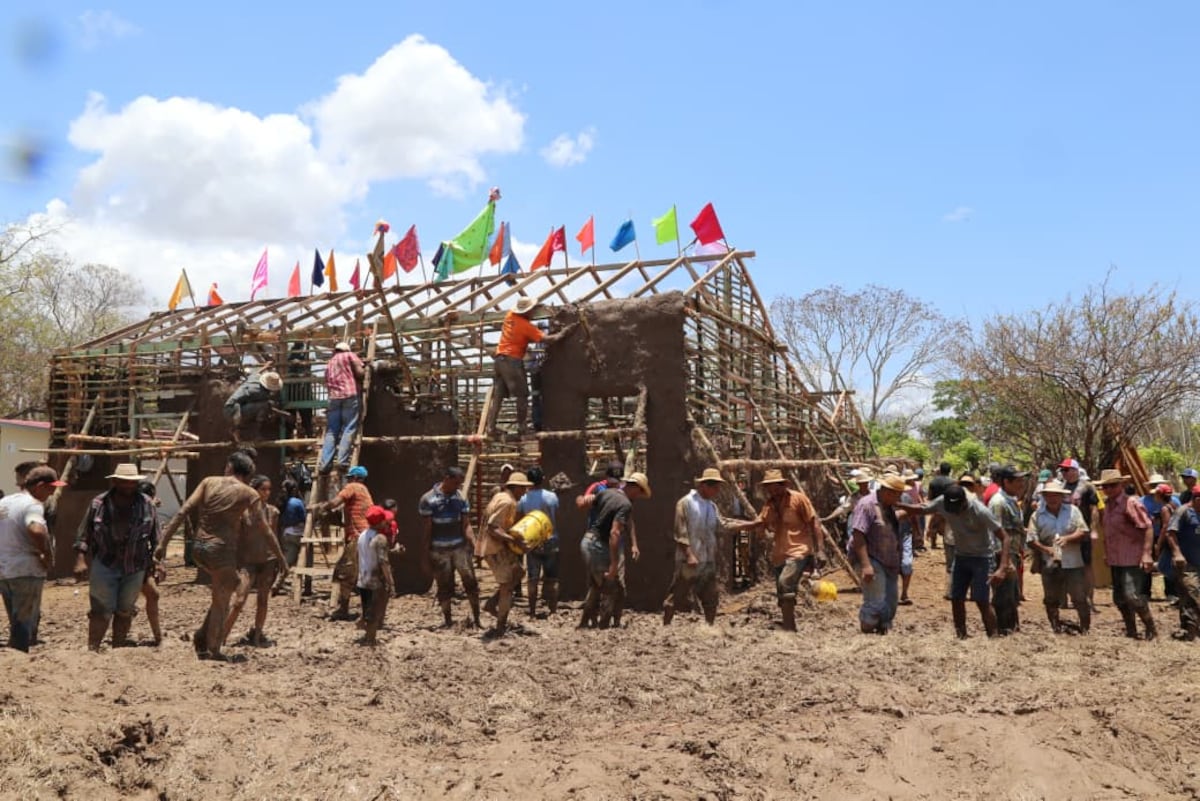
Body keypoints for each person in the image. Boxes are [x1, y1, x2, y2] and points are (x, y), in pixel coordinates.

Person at [156, 452, 274, 661]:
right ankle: (212, 649)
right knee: (222, 600)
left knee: (228, 586)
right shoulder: (249, 493)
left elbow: (183, 511)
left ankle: (202, 635)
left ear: (229, 466)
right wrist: (280, 557)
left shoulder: (208, 481)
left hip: (198, 549)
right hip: (220, 550)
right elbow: (264, 529)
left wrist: (163, 543)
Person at [72, 463, 161, 651]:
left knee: (125, 610)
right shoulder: (99, 504)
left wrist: (158, 563)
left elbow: (156, 538)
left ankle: (118, 648)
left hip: (135, 566)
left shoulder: (147, 504)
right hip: (105, 563)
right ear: (115, 481)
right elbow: (84, 534)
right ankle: (93, 649)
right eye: (123, 482)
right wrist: (80, 559)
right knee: (100, 609)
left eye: (131, 482)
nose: (128, 486)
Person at [900, 484, 1005, 638]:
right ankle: (961, 635)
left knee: (981, 600)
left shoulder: (980, 511)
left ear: (964, 502)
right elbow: (922, 509)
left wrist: (1002, 567)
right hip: (961, 556)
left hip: (982, 558)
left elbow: (1004, 537)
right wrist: (898, 504)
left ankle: (993, 636)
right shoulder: (943, 502)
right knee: (956, 598)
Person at [664, 468, 757, 625]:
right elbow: (680, 532)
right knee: (677, 593)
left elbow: (723, 524)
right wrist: (689, 555)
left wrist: (750, 525)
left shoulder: (711, 506)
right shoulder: (686, 503)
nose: (717, 491)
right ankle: (666, 626)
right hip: (689, 560)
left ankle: (710, 627)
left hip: (707, 560)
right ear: (704, 486)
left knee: (710, 596)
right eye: (715, 487)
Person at [484, 297, 575, 438]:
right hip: (512, 361)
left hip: (499, 360)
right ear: (526, 312)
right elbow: (549, 339)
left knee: (498, 396)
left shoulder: (509, 316)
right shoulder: (525, 326)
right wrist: (564, 333)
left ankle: (490, 428)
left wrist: (536, 306)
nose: (533, 313)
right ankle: (522, 428)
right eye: (531, 310)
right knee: (522, 395)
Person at [0, 466, 65, 651]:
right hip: (26, 570)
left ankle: (15, 654)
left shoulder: (4, 502)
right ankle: (20, 654)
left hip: (5, 569)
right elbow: (36, 530)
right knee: (25, 621)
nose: (52, 493)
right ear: (40, 486)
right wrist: (47, 555)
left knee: (15, 618)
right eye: (50, 488)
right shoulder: (33, 504)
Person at [577, 472, 652, 629]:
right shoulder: (625, 504)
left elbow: (581, 504)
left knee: (597, 585)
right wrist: (614, 564)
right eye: (639, 492)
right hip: (598, 545)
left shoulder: (607, 493)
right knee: (611, 586)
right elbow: (615, 533)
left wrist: (581, 499)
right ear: (635, 488)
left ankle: (585, 623)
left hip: (588, 541)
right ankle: (604, 626)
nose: (638, 496)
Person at [753, 469, 826, 632]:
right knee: (782, 592)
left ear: (782, 485)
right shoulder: (769, 505)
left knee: (785, 582)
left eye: (775, 487)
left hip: (798, 550)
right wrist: (757, 529)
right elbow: (760, 523)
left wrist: (820, 550)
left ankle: (788, 626)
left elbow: (814, 523)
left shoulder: (798, 499)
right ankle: (789, 626)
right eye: (769, 488)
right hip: (779, 553)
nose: (772, 491)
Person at [223, 475, 286, 647]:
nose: (266, 493)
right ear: (254, 490)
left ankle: (257, 635)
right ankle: (222, 636)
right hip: (248, 563)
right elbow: (236, 537)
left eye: (268, 489)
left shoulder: (273, 512)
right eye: (262, 489)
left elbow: (274, 537)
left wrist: (280, 559)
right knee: (239, 601)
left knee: (263, 600)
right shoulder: (243, 514)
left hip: (268, 561)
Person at [1095, 468, 1157, 640]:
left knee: (1132, 596)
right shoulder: (1107, 505)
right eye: (1105, 487)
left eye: (1113, 486)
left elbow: (1147, 527)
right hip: (1116, 558)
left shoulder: (1131, 503)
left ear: (1121, 485)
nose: (1109, 489)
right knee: (1119, 598)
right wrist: (1107, 553)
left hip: (1132, 557)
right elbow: (1109, 533)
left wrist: (1147, 554)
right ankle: (1131, 630)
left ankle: (1150, 628)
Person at [419, 466, 480, 628]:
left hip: (460, 549)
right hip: (439, 551)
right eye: (455, 483)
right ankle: (448, 621)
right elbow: (427, 530)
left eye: (459, 484)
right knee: (444, 586)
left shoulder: (460, 498)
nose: (457, 486)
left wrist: (475, 546)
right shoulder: (428, 499)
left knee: (471, 583)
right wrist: (425, 555)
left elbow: (466, 525)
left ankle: (477, 619)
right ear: (446, 479)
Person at [1026, 480, 1090, 633]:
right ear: (1044, 497)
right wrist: (1046, 549)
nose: (1052, 498)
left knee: (1079, 597)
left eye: (1056, 495)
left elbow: (1083, 531)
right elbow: (1031, 539)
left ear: (1062, 496)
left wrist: (1068, 539)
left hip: (1072, 561)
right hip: (1049, 562)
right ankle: (1055, 627)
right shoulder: (1037, 515)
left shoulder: (1073, 511)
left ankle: (1085, 629)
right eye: (1049, 495)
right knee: (1051, 598)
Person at [849, 472, 907, 634]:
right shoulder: (866, 504)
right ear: (888, 492)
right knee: (875, 600)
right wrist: (866, 565)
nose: (899, 498)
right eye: (898, 495)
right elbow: (858, 534)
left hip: (889, 560)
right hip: (871, 558)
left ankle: (882, 628)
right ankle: (867, 628)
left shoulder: (888, 506)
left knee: (891, 601)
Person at [316, 464, 374, 620]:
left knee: (345, 573)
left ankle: (345, 609)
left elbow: (335, 502)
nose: (347, 481)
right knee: (362, 574)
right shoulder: (364, 490)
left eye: (349, 478)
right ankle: (367, 610)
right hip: (366, 536)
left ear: (354, 478)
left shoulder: (353, 487)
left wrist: (322, 506)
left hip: (357, 537)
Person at [478, 471, 532, 636]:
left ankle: (492, 603)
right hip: (495, 548)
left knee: (519, 573)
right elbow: (493, 527)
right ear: (515, 487)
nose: (524, 492)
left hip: (495, 546)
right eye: (523, 488)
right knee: (507, 587)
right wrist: (514, 540)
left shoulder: (500, 496)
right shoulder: (507, 502)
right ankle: (501, 626)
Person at [988, 465, 1028, 635]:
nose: (1022, 484)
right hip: (1003, 556)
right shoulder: (999, 502)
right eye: (1018, 481)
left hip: (1012, 553)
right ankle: (1003, 629)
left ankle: (1010, 627)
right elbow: (997, 533)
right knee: (1003, 594)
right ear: (1006, 482)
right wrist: (1005, 562)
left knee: (1011, 594)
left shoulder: (1011, 500)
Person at [518, 466, 561, 617]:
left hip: (532, 541)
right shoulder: (552, 497)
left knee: (533, 578)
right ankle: (553, 610)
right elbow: (557, 515)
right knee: (552, 578)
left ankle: (532, 611)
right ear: (543, 479)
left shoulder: (524, 499)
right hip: (551, 540)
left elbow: (520, 519)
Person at [318, 342, 365, 475]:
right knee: (349, 428)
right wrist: (365, 370)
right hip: (350, 395)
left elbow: (326, 381)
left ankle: (324, 464)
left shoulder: (330, 362)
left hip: (334, 398)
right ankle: (342, 461)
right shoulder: (349, 355)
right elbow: (360, 373)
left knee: (332, 431)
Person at [1060, 458, 1100, 610]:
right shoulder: (1061, 487)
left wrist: (1094, 530)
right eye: (1062, 470)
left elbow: (1094, 509)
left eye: (1067, 470)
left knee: (1086, 565)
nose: (1064, 473)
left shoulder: (1087, 487)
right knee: (1064, 564)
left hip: (1083, 532)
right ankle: (1065, 598)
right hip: (1065, 533)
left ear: (1075, 470)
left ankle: (1089, 599)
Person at [1164, 491, 1200, 640]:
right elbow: (1170, 533)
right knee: (1193, 592)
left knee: (1187, 597)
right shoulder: (1183, 512)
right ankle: (1190, 627)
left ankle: (1190, 628)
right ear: (1196, 499)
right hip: (1187, 563)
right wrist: (1177, 553)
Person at [356, 505, 393, 645]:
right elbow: (384, 562)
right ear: (381, 522)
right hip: (375, 579)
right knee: (376, 611)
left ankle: (367, 635)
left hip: (363, 578)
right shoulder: (380, 538)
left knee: (368, 608)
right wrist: (390, 581)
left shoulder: (362, 535)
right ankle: (370, 640)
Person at [135, 480, 167, 644]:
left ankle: (158, 637)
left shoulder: (149, 509)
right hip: (129, 563)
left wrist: (158, 563)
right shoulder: (133, 509)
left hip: (142, 561)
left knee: (152, 595)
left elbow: (156, 539)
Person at [222, 368, 283, 441]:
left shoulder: (255, 377)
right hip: (233, 411)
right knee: (264, 405)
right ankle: (252, 431)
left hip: (230, 406)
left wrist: (265, 366)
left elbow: (256, 372)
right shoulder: (260, 393)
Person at [1144, 479, 1179, 602]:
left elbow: (1165, 527)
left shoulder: (1165, 509)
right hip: (1175, 539)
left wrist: (1159, 544)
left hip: (1167, 540)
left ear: (1159, 495)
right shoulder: (1174, 505)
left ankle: (1172, 593)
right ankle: (1174, 592)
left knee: (1165, 565)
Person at [898, 471, 920, 605]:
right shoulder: (883, 500)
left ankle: (904, 593)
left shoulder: (907, 498)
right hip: (889, 537)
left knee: (907, 564)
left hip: (905, 535)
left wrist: (917, 532)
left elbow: (913, 516)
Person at [276, 478, 307, 576]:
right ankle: (307, 581)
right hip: (298, 533)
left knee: (288, 559)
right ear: (294, 490)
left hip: (286, 533)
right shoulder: (297, 502)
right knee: (307, 557)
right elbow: (304, 518)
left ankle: (279, 579)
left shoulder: (281, 501)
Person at [926, 462, 955, 550]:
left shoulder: (933, 482)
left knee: (934, 525)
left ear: (940, 470)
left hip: (936, 508)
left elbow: (930, 496)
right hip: (948, 507)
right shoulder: (952, 482)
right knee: (947, 526)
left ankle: (933, 543)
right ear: (949, 471)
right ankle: (946, 543)